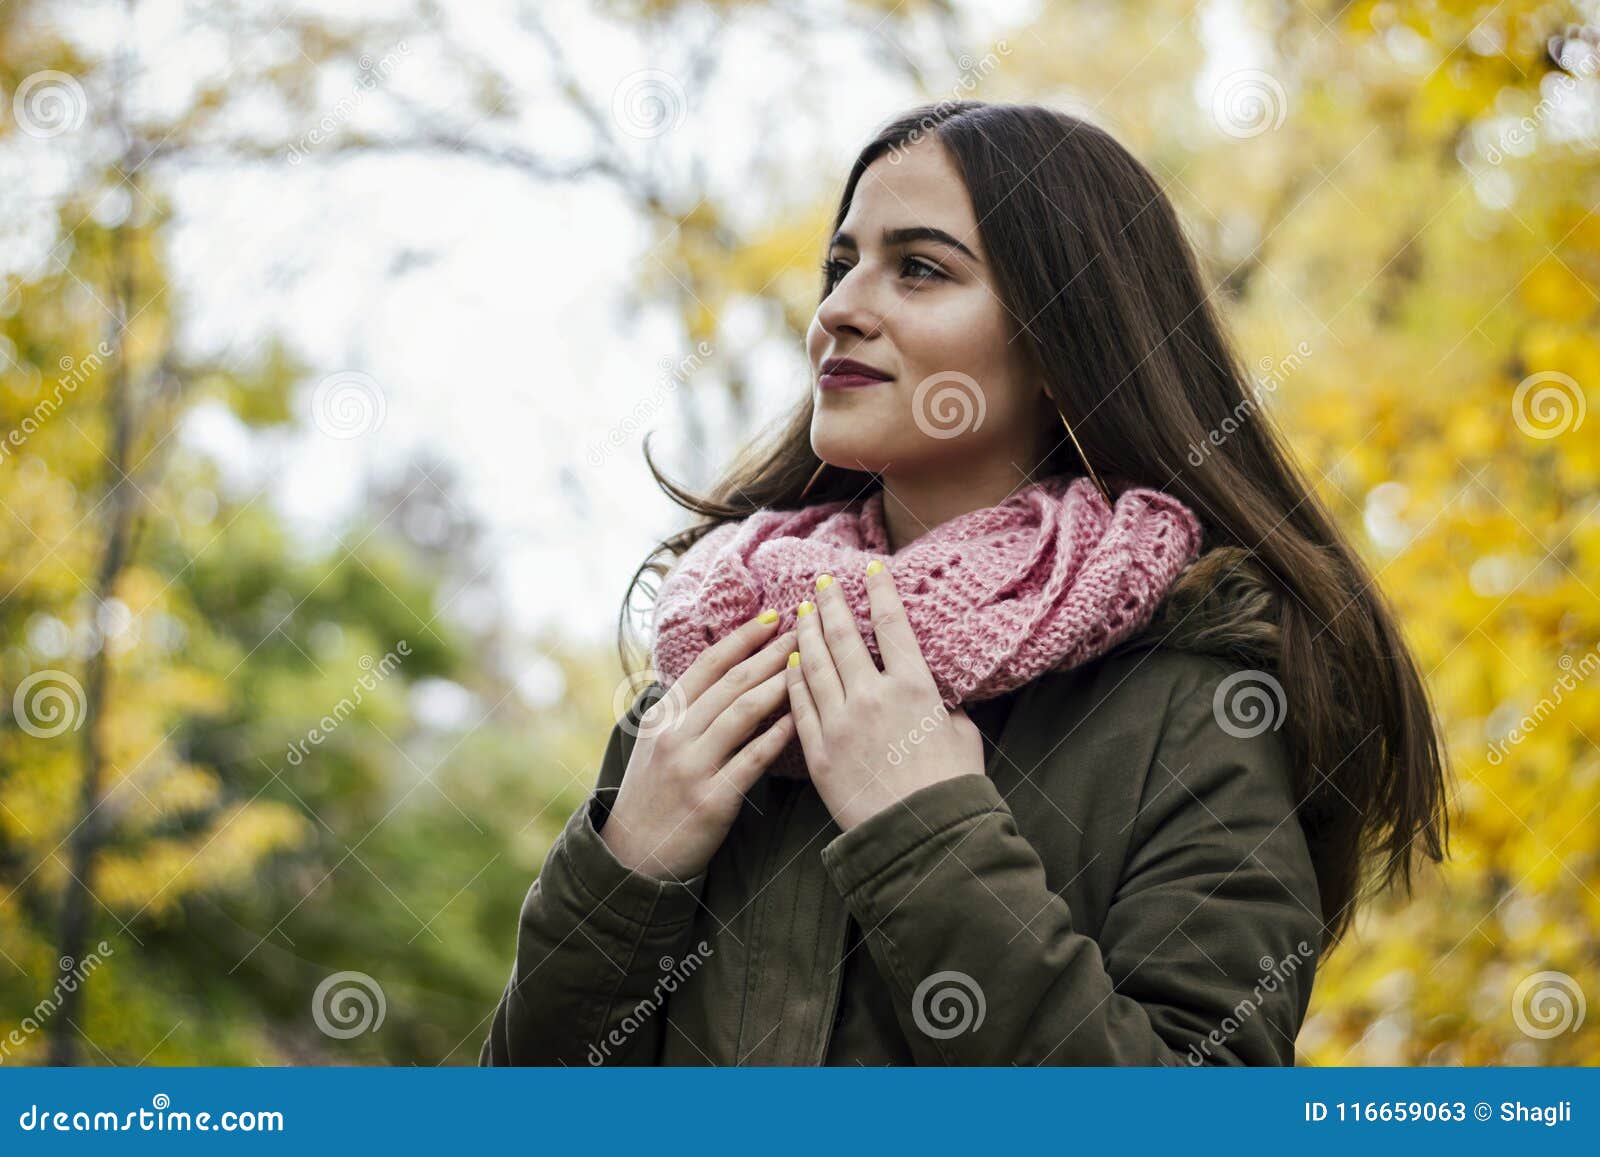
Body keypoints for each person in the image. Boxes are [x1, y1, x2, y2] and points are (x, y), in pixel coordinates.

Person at [479, 100, 1450, 1066]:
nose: (838, 309)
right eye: (840, 264)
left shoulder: (1202, 698)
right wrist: (621, 871)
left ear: (1066, 342)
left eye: (920, 268)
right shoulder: (717, 663)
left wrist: (929, 838)